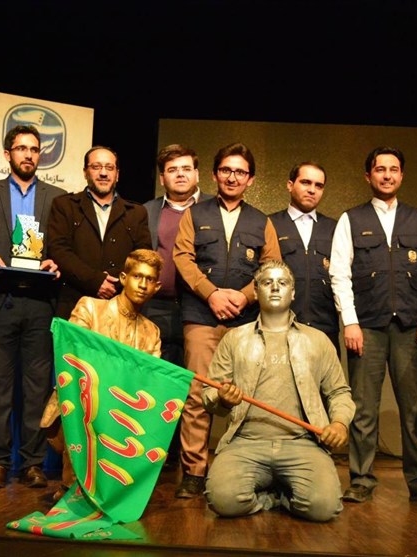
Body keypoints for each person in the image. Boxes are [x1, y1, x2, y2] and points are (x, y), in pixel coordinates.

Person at [329, 146, 417, 505]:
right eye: (380, 169)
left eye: (393, 169)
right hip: (367, 327)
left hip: (411, 326)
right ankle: (361, 479)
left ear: (401, 175)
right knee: (363, 407)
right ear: (369, 175)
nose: (387, 175)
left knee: (414, 408)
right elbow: (339, 274)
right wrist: (350, 322)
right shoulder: (351, 219)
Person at [203, 260, 354, 522]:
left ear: (293, 293)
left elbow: (339, 392)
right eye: (267, 282)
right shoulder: (234, 339)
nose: (275, 288)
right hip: (245, 443)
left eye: (282, 283)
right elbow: (209, 393)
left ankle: (285, 495)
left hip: (302, 444)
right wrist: (223, 399)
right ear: (256, 291)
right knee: (223, 500)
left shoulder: (317, 340)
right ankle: (270, 498)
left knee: (323, 507)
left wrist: (340, 423)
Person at [172, 142, 281, 498]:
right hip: (201, 317)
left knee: (247, 396)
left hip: (246, 320)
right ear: (216, 174)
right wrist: (211, 294)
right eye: (226, 170)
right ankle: (194, 472)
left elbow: (272, 267)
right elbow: (182, 258)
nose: (233, 177)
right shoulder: (195, 214)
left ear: (251, 179)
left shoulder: (261, 221)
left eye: (240, 172)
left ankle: (242, 471)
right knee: (197, 395)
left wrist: (245, 296)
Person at [0, 125, 67, 490]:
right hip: (1, 299)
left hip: (40, 302)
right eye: (21, 148)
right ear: (7, 154)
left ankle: (32, 464)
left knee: (37, 389)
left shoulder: (57, 197)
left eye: (34, 149)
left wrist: (55, 259)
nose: (28, 154)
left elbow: (62, 244)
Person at [41, 249, 163, 501]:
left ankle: (112, 490)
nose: (142, 285)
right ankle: (74, 488)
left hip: (124, 412)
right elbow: (72, 358)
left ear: (156, 287)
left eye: (150, 279)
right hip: (84, 401)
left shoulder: (152, 332)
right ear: (123, 278)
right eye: (137, 276)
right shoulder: (89, 307)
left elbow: (149, 382)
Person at [142, 145, 212, 466]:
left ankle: (191, 458)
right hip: (156, 308)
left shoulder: (212, 209)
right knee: (157, 384)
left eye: (186, 168)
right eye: (172, 170)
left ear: (197, 174)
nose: (180, 175)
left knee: (194, 388)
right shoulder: (147, 211)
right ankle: (158, 456)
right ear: (162, 178)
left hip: (201, 309)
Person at [47, 145, 151, 320]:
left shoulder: (136, 212)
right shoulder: (65, 205)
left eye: (109, 167)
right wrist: (95, 281)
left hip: (121, 305)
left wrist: (115, 280)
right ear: (85, 172)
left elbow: (143, 256)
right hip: (74, 305)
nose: (103, 173)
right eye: (96, 167)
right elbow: (59, 250)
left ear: (117, 174)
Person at [268, 162, 339, 352]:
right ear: (290, 185)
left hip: (325, 328)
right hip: (279, 327)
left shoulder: (334, 228)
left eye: (319, 185)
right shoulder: (269, 224)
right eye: (306, 182)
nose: (312, 190)